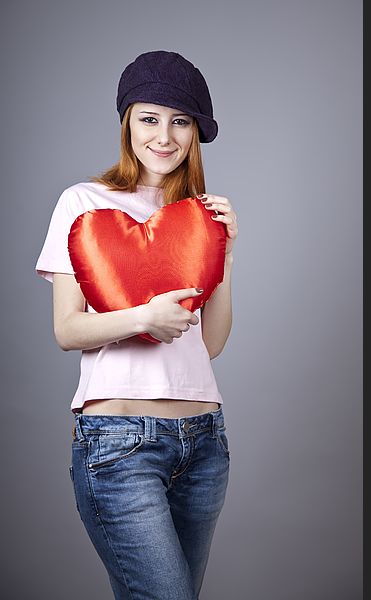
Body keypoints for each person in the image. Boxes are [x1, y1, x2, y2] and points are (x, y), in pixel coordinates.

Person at [34, 50, 238, 600]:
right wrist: (144, 317)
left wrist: (227, 251)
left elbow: (210, 343)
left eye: (181, 121)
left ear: (196, 132)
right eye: (150, 118)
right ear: (127, 122)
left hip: (204, 442)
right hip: (120, 443)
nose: (164, 136)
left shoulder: (201, 215)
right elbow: (67, 330)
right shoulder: (82, 203)